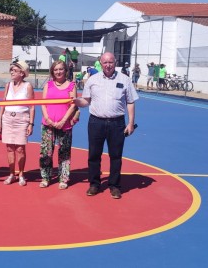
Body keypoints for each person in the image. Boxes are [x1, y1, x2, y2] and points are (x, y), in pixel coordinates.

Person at [74, 52, 138, 199]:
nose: (108, 65)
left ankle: (114, 186)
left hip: (117, 123)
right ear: (100, 63)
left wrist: (131, 123)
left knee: (116, 156)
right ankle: (94, 184)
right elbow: (86, 101)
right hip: (96, 122)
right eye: (105, 62)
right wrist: (77, 102)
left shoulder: (125, 79)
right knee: (94, 155)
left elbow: (130, 102)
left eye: (111, 62)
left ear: (115, 62)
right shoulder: (92, 80)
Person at [39, 61, 80, 189]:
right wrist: (47, 118)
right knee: (46, 152)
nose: (58, 72)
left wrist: (63, 121)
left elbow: (73, 104)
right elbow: (43, 103)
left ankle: (63, 178)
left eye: (61, 69)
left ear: (65, 70)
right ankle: (46, 177)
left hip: (65, 125)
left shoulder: (71, 85)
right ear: (52, 71)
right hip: (48, 125)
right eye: (56, 69)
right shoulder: (49, 85)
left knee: (64, 152)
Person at [0, 60, 34, 186]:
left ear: (22, 73)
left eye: (15, 70)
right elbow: (3, 103)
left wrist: (31, 123)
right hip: (7, 118)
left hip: (22, 119)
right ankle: (12, 174)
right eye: (11, 70)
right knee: (9, 148)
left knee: (20, 149)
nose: (12, 72)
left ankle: (21, 174)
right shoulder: (8, 85)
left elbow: (32, 107)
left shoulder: (28, 86)